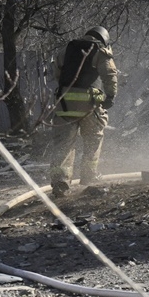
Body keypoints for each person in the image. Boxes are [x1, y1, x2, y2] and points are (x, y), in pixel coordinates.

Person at [48, 26, 118, 198]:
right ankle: (89, 178)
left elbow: (57, 72)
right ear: (103, 39)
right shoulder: (99, 50)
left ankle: (60, 184)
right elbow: (109, 74)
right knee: (93, 139)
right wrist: (110, 96)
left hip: (64, 104)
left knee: (63, 144)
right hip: (89, 105)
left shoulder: (67, 49)